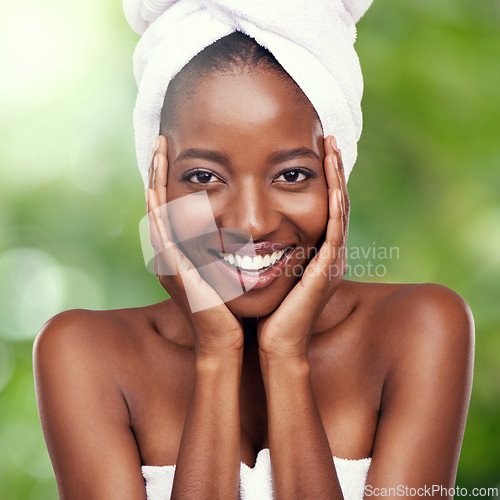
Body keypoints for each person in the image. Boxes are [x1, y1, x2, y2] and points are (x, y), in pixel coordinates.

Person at [33, 4, 474, 500]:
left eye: (292, 175)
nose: (252, 223)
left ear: (338, 177)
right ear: (155, 186)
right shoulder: (86, 353)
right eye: (204, 177)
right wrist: (216, 354)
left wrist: (286, 358)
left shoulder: (420, 328)